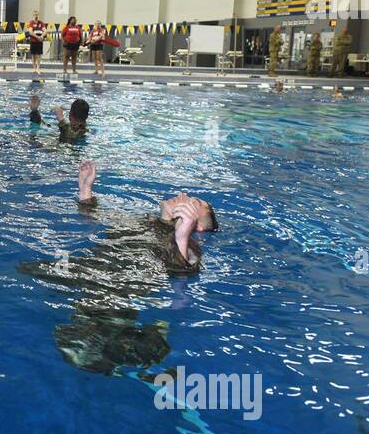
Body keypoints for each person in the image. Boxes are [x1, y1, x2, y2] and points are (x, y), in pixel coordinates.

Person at [17, 161, 220, 376]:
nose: (183, 194)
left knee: (81, 351)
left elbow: (185, 269)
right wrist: (85, 189)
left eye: (194, 201)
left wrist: (181, 237)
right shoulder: (143, 222)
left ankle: (134, 366)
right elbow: (95, 218)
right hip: (88, 269)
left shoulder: (189, 243)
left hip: (118, 286)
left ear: (198, 225)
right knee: (23, 270)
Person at [25, 10, 46, 76]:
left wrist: (42, 36)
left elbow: (45, 31)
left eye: (37, 15)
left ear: (38, 15)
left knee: (39, 55)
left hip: (39, 42)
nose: (36, 16)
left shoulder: (41, 23)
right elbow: (30, 32)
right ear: (33, 15)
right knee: (33, 55)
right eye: (35, 15)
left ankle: (38, 68)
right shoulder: (31, 23)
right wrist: (37, 37)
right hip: (33, 41)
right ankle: (34, 69)